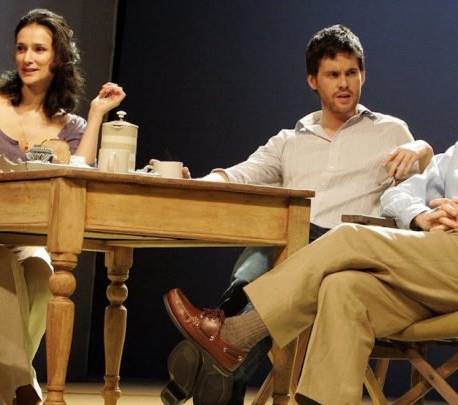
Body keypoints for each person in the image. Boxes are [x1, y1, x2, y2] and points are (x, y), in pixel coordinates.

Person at [164, 40, 458, 404]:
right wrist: (423, 214)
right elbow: (400, 193)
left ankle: (234, 335)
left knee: (349, 238)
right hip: (435, 266)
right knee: (344, 287)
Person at [160, 24, 433, 405]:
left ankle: (211, 351)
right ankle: (220, 358)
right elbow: (243, 172)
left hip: (349, 256)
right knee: (260, 261)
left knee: (279, 250)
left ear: (363, 75)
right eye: (333, 74)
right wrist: (200, 181)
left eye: (351, 73)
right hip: (291, 251)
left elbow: (424, 184)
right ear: (312, 81)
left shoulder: (390, 130)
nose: (344, 84)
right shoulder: (291, 139)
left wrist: (422, 148)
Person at [0, 8, 125, 405]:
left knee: (40, 270)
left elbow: (79, 175)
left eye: (39, 49)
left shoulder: (73, 127)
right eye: (21, 48)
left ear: (58, 58)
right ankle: (20, 388)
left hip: (26, 240)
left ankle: (6, 390)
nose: (27, 58)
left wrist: (97, 115)